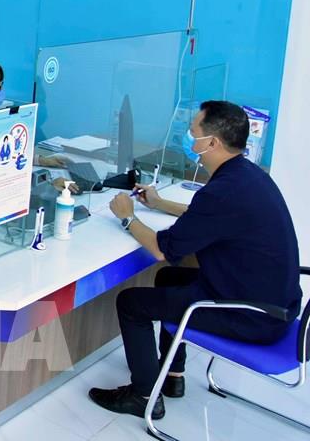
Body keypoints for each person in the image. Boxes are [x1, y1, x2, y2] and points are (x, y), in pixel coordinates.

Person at [89, 100, 302, 419]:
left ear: (212, 142)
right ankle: (173, 375)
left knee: (131, 303)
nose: (188, 139)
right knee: (168, 278)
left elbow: (162, 250)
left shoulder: (223, 190)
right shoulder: (246, 176)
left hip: (251, 317)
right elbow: (206, 216)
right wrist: (159, 203)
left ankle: (144, 396)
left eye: (193, 133)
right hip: (275, 305)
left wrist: (127, 217)